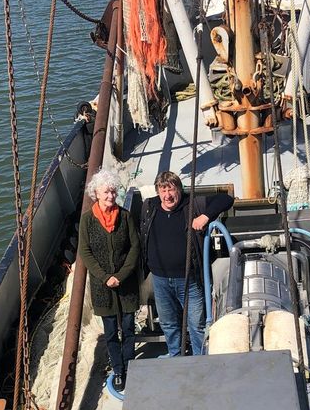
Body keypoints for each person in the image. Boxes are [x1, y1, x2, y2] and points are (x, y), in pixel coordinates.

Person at [141, 171, 234, 356]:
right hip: (160, 280)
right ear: (158, 192)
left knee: (196, 324)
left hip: (189, 280)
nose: (167, 195)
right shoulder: (149, 207)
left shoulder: (191, 204)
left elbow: (226, 199)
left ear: (179, 190)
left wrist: (206, 216)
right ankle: (176, 357)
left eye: (171, 190)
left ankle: (201, 360)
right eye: (163, 190)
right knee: (168, 323)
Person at [77, 168, 140, 392]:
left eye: (113, 192)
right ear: (96, 193)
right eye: (106, 192)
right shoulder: (87, 221)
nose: (110, 196)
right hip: (103, 288)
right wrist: (105, 278)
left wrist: (121, 276)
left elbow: (134, 247)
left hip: (127, 285)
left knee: (129, 328)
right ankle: (119, 369)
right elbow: (85, 252)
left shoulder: (125, 216)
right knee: (111, 332)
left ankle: (131, 365)